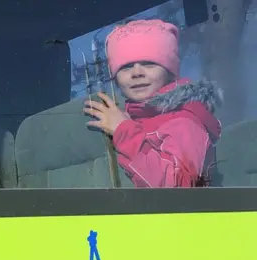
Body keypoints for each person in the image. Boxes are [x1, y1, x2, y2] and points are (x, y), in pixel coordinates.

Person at [83, 19, 223, 188]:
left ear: (170, 71)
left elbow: (181, 188)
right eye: (126, 67)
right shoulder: (130, 119)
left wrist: (124, 131)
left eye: (149, 64)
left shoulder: (184, 122)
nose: (136, 73)